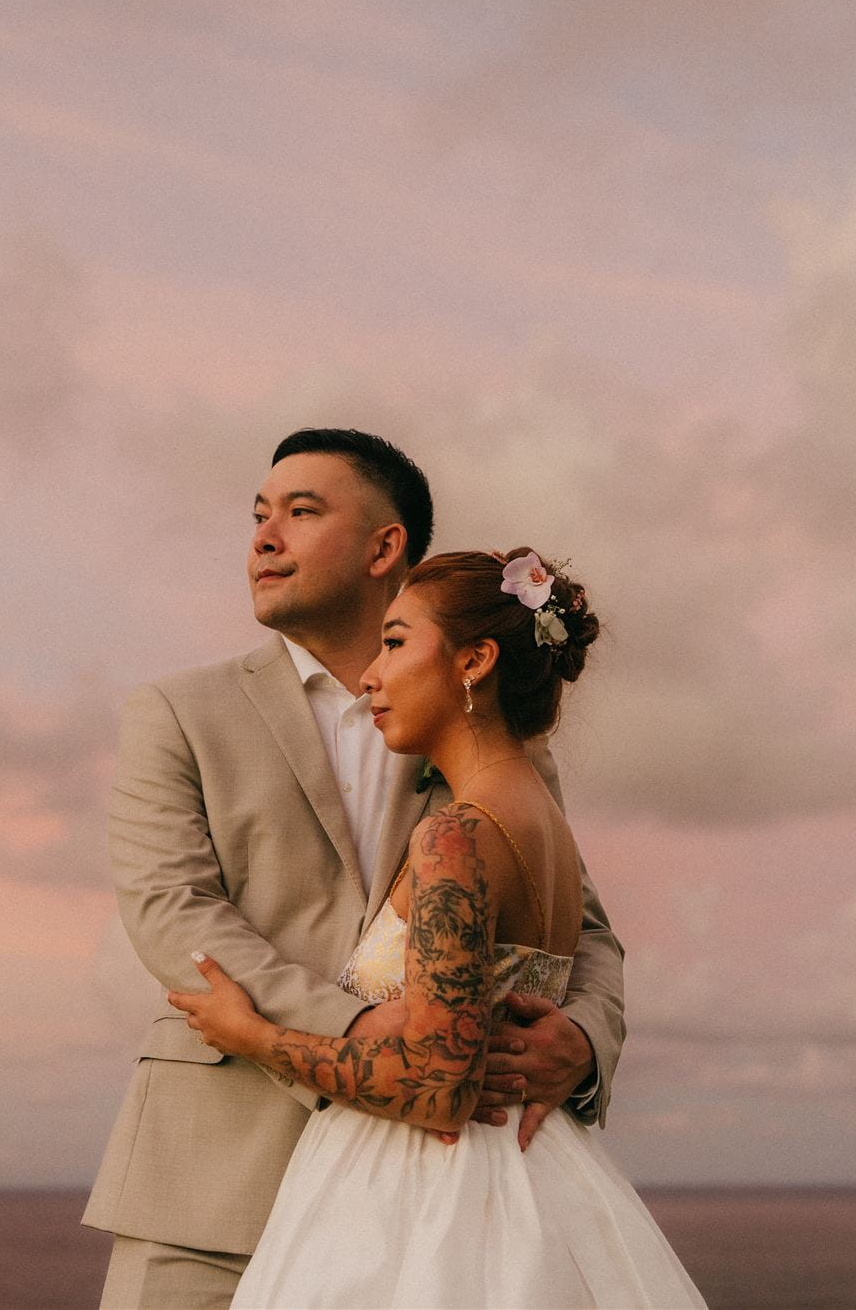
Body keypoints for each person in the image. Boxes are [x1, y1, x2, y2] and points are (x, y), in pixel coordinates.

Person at [83, 430, 626, 1308]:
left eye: (302, 512)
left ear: (385, 547)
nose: (264, 537)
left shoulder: (494, 737)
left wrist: (587, 1042)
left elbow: (583, 928)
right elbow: (171, 912)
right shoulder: (178, 713)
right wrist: (361, 1030)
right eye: (258, 515)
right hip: (208, 1193)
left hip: (430, 1204)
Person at [171, 549, 707, 1308]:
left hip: (427, 1200)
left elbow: (435, 1088)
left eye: (394, 642)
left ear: (475, 660)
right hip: (538, 1175)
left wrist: (252, 1036)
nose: (369, 675)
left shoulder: (457, 836)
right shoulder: (543, 820)